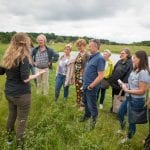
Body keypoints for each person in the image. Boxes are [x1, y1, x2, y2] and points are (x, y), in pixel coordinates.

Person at [0, 33, 46, 149]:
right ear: (24, 42)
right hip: (21, 95)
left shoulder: (8, 55)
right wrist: (38, 74)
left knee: (11, 116)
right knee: (22, 120)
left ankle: (9, 142)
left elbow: (1, 71)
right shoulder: (23, 57)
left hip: (9, 93)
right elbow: (25, 78)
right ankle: (20, 146)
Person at [119, 50, 150, 143]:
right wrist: (125, 85)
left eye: (135, 58)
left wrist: (127, 90)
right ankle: (123, 129)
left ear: (141, 59)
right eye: (133, 57)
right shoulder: (135, 69)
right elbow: (133, 84)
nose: (133, 59)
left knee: (131, 120)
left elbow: (142, 91)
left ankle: (129, 137)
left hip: (136, 100)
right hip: (129, 97)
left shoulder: (144, 72)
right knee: (120, 113)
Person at [80, 39, 105, 130]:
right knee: (86, 102)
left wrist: (92, 86)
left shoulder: (100, 58)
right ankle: (86, 116)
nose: (89, 47)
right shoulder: (91, 56)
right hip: (86, 85)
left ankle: (93, 124)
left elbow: (101, 76)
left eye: (90, 46)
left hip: (91, 87)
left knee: (92, 105)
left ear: (96, 46)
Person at [109, 48, 133, 112]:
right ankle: (114, 108)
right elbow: (114, 69)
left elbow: (128, 74)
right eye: (121, 53)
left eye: (123, 53)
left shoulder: (130, 63)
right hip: (115, 82)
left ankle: (120, 110)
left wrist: (123, 84)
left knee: (121, 97)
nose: (121, 54)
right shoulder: (120, 61)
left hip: (121, 84)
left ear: (127, 54)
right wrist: (112, 78)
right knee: (114, 95)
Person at [74, 39, 89, 111]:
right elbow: (76, 63)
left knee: (82, 90)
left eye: (80, 46)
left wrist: (83, 73)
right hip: (77, 75)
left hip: (83, 76)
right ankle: (78, 102)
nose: (79, 47)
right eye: (78, 46)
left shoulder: (87, 54)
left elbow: (87, 66)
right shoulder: (79, 53)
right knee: (77, 89)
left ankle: (83, 105)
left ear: (84, 45)